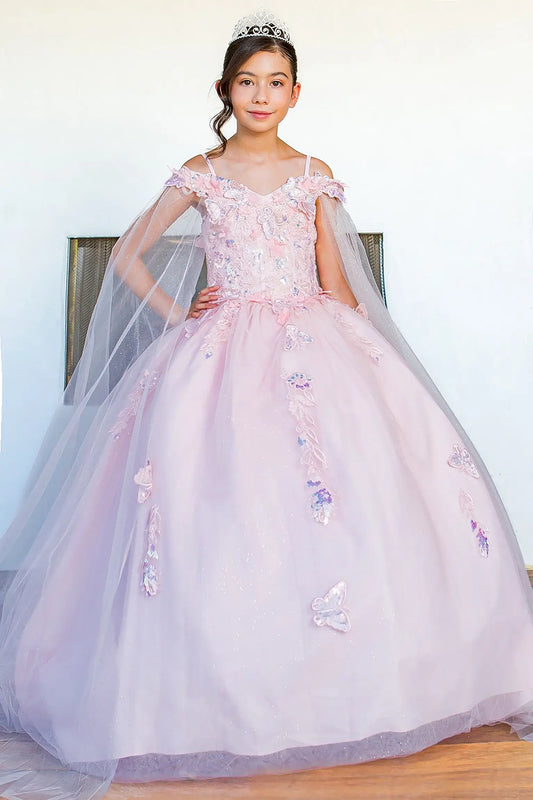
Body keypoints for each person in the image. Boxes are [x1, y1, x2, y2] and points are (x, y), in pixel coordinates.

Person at [1, 7, 533, 799]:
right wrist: (181, 316)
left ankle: (356, 682)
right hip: (219, 351)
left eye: (275, 82)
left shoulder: (311, 171)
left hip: (313, 344)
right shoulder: (201, 172)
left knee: (348, 503)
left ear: (294, 94)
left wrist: (370, 368)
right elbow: (127, 255)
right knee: (214, 501)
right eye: (246, 81)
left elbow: (336, 282)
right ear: (225, 89)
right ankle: (214, 689)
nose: (260, 94)